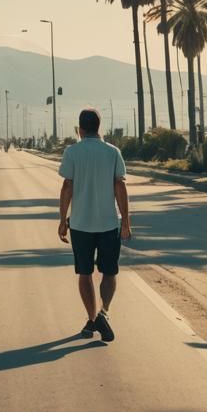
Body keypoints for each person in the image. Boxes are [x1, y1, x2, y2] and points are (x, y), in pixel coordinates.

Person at [57, 108, 131, 343]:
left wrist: (62, 220)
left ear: (80, 129)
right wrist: (126, 221)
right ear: (99, 127)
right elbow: (119, 186)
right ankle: (103, 313)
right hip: (109, 224)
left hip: (80, 225)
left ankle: (92, 318)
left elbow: (67, 186)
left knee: (85, 273)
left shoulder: (72, 152)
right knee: (109, 272)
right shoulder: (113, 152)